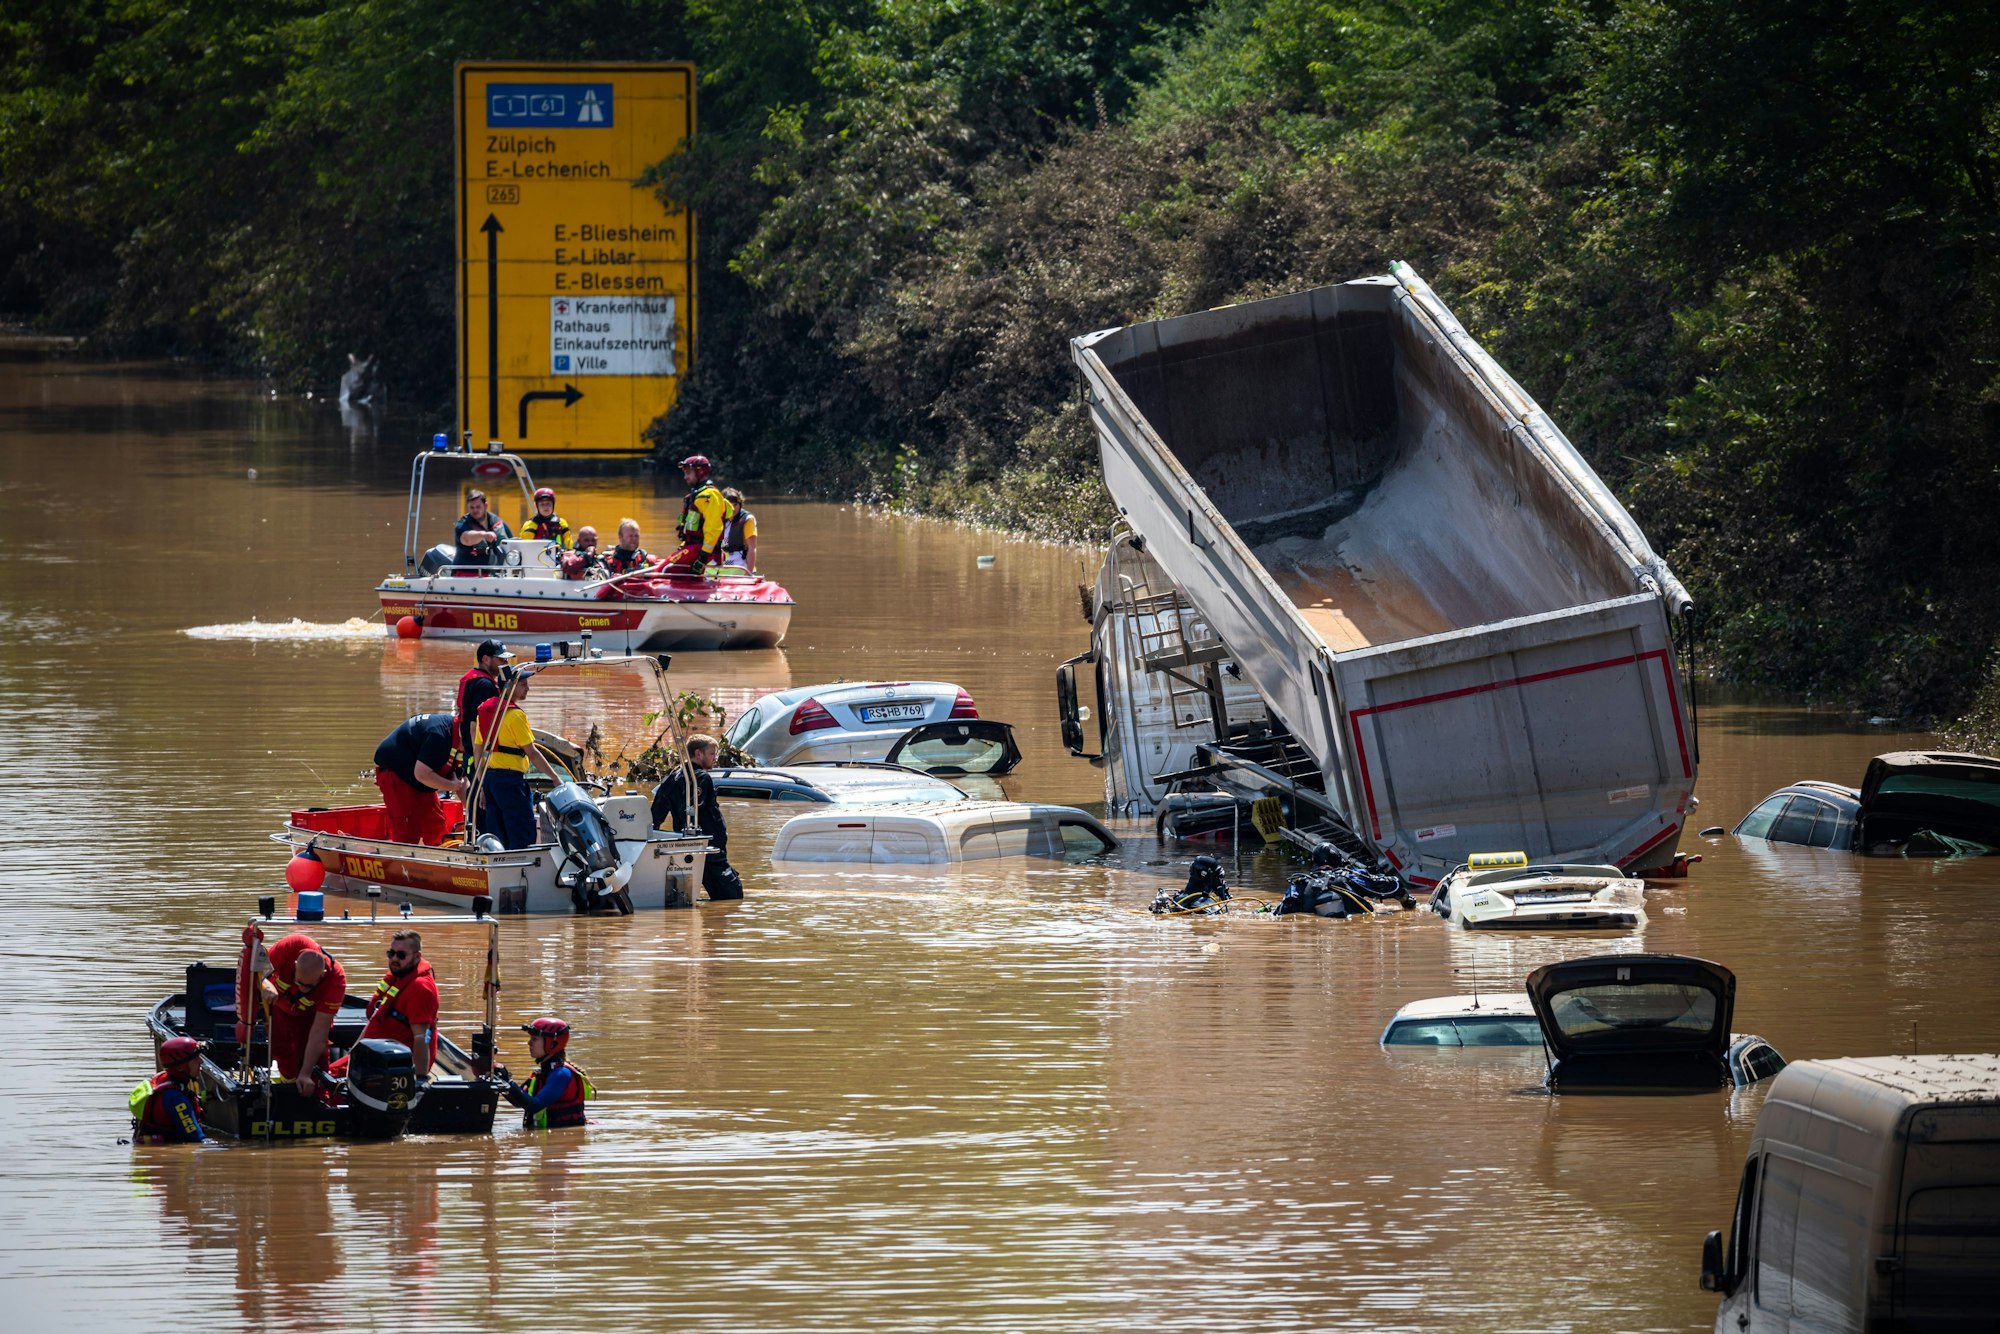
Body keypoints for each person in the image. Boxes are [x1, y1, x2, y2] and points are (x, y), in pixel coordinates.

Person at [328, 929, 439, 1082]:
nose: (394, 958)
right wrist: (353, 1054)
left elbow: (421, 1038)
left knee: (322, 1083)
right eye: (391, 953)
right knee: (323, 1073)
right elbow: (375, 1018)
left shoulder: (420, 988)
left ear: (417, 956)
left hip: (390, 1067)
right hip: (370, 1056)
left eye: (401, 955)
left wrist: (419, 1080)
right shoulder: (399, 977)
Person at [650, 733, 744, 900]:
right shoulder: (701, 778)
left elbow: (655, 815)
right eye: (712, 754)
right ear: (698, 754)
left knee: (685, 898)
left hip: (686, 849)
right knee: (732, 897)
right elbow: (694, 808)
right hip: (709, 849)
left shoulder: (672, 778)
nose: (715, 758)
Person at [472, 674, 556, 850]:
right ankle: (523, 873)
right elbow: (532, 754)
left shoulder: (486, 713)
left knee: (497, 837)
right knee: (522, 833)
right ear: (509, 687)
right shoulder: (516, 715)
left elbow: (478, 752)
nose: (528, 688)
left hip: (490, 781)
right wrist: (556, 779)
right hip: (511, 782)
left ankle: (499, 872)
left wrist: (481, 787)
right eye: (523, 684)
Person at [259, 930, 348, 1096]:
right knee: (281, 1051)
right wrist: (265, 984)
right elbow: (257, 969)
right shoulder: (291, 945)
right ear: (295, 965)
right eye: (297, 981)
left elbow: (319, 1031)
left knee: (316, 1070)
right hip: (277, 1008)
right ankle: (287, 1090)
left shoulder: (336, 980)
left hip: (309, 1018)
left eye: (307, 986)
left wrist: (305, 1073)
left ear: (321, 976)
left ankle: (317, 1099)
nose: (300, 987)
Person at [372, 712, 469, 845]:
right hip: (396, 772)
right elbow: (422, 774)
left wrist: (472, 813)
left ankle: (440, 856)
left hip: (421, 776)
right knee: (407, 830)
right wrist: (451, 786)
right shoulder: (439, 736)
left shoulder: (459, 739)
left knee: (435, 825)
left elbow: (462, 782)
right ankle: (404, 861)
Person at [496, 1017, 594, 1129]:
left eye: (535, 1039)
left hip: (561, 1144)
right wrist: (501, 1080)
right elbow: (518, 1102)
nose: (529, 1043)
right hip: (548, 1141)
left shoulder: (561, 1074)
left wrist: (508, 1082)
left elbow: (534, 1106)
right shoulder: (543, 1073)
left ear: (552, 1044)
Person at [664, 455, 733, 574]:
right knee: (663, 566)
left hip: (701, 551)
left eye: (688, 473)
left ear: (699, 472)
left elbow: (713, 529)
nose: (685, 477)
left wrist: (703, 558)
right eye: (684, 473)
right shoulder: (696, 495)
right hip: (692, 547)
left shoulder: (710, 496)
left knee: (664, 571)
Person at [129, 1036, 205, 1144]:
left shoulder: (163, 1077)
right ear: (180, 1067)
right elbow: (196, 1139)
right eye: (196, 1058)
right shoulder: (176, 1099)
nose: (201, 1062)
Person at [451, 640, 509, 771]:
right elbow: (475, 725)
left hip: (470, 753)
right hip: (477, 757)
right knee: (479, 789)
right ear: (486, 659)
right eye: (501, 659)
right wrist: (481, 764)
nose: (506, 664)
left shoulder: (474, 680)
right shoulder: (485, 686)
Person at [452, 490, 512, 572]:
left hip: (495, 574)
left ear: (486, 506)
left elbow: (512, 544)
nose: (475, 510)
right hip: (467, 573)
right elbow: (466, 539)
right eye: (472, 507)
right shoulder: (462, 524)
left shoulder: (498, 523)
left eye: (478, 507)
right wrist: (484, 535)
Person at [719, 487, 757, 572]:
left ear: (740, 504)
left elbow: (752, 548)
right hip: (721, 565)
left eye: (735, 505)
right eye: (730, 505)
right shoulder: (717, 518)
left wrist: (749, 574)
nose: (733, 509)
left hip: (740, 565)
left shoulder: (747, 519)